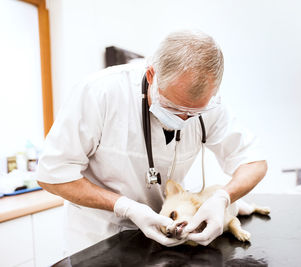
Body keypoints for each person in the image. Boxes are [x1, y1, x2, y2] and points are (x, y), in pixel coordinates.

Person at [36, 30, 267, 254]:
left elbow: (253, 162)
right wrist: (125, 207)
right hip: (98, 239)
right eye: (174, 108)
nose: (183, 119)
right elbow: (52, 175)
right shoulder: (101, 94)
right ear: (151, 76)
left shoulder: (210, 105)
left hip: (166, 241)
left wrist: (223, 198)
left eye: (194, 112)